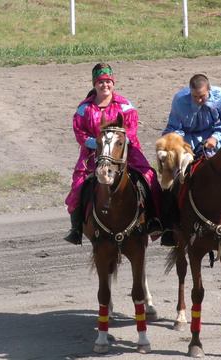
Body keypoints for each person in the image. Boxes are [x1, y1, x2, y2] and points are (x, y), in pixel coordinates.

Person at [63, 63, 162, 245]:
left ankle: (154, 219)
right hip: (93, 155)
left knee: (149, 177)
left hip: (125, 152)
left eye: (108, 81)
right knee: (78, 186)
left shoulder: (125, 106)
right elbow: (80, 132)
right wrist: (96, 143)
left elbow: (131, 131)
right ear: (94, 84)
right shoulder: (84, 108)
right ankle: (76, 228)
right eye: (100, 82)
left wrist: (119, 142)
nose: (105, 85)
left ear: (113, 83)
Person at [159, 74, 221, 246]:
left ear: (209, 90)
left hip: (213, 140)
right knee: (170, 178)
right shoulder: (179, 100)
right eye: (195, 97)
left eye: (202, 96)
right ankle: (170, 227)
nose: (199, 100)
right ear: (189, 92)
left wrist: (215, 137)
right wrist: (182, 146)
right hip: (186, 139)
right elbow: (174, 127)